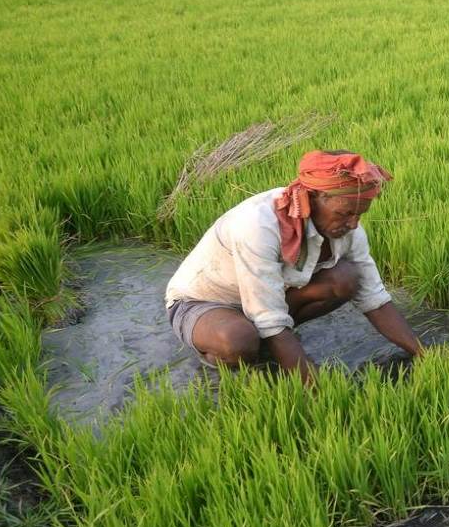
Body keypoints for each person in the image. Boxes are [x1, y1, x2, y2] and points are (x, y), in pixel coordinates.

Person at [165, 150, 423, 386]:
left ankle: (271, 345)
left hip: (266, 296)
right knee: (238, 341)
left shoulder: (348, 228)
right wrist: (318, 389)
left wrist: (425, 354)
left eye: (359, 215)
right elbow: (269, 316)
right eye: (345, 214)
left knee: (346, 278)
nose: (354, 224)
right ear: (313, 198)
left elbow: (374, 298)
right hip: (206, 302)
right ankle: (229, 362)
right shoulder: (259, 224)